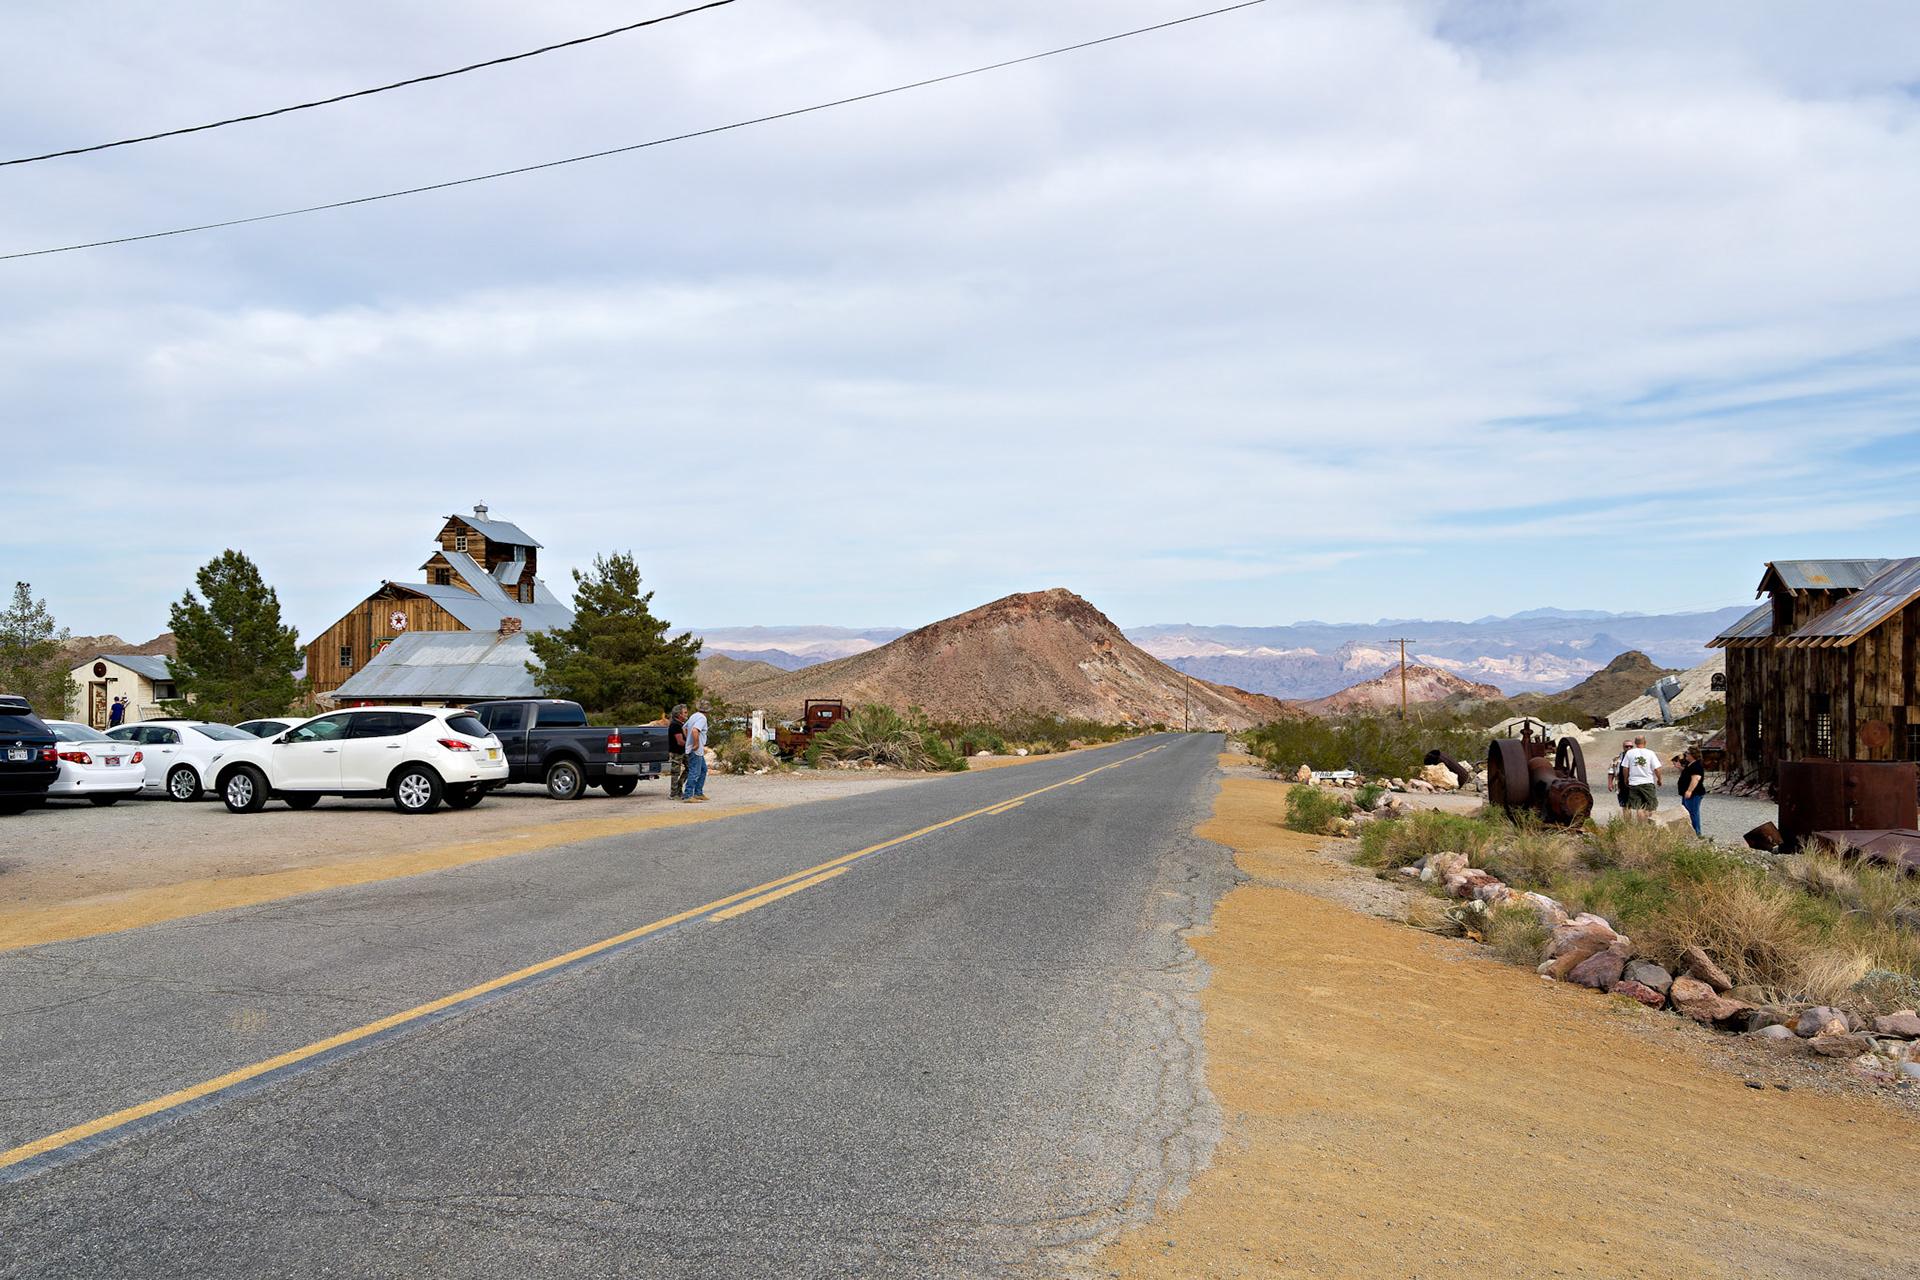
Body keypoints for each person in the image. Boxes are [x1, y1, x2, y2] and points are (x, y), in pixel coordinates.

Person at [1622, 735, 1663, 822]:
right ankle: (1653, 823)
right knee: (1652, 805)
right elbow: (1656, 768)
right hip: (1647, 782)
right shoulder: (1650, 753)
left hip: (1634, 783)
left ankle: (1642, 825)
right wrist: (1659, 778)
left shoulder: (1630, 753)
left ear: (1635, 743)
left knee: (1638, 807)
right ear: (1645, 742)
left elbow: (1625, 768)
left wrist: (1626, 778)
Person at [1676, 746, 1707, 835]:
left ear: (1693, 755)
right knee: (1686, 812)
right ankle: (1689, 831)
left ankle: (1696, 832)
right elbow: (1687, 774)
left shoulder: (1697, 765)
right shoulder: (1690, 765)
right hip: (1687, 793)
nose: (1686, 755)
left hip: (1694, 793)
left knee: (1693, 813)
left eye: (1688, 753)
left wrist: (1689, 791)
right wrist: (1679, 768)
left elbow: (1696, 779)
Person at [683, 705, 709, 803]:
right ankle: (688, 795)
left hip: (695, 749)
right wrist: (696, 743)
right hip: (696, 750)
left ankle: (698, 792)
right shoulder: (702, 718)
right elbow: (695, 730)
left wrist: (688, 741)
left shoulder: (694, 716)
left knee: (703, 769)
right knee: (695, 772)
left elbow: (684, 728)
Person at [667, 705, 689, 800]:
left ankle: (679, 788)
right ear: (679, 714)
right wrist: (690, 746)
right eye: (685, 712)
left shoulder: (681, 724)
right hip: (677, 752)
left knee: (689, 768)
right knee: (675, 772)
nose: (686, 714)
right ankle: (674, 793)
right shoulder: (675, 725)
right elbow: (680, 741)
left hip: (683, 751)